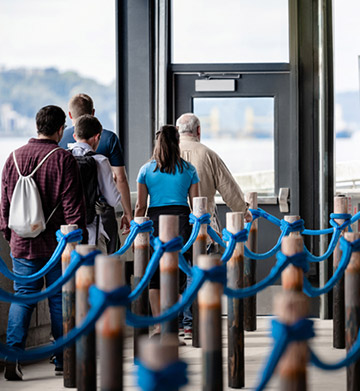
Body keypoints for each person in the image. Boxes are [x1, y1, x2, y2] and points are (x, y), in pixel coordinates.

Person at [1, 105, 86, 380]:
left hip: (21, 244)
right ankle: (63, 358)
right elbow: (74, 210)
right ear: (61, 129)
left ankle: (13, 356)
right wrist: (78, 241)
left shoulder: (12, 157)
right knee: (60, 300)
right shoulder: (63, 159)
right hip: (57, 247)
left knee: (23, 297)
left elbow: (4, 208)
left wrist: (11, 236)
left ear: (37, 125)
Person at [134, 125, 199, 342]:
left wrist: (136, 234)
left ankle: (159, 327)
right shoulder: (189, 169)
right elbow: (197, 206)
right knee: (177, 275)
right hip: (180, 221)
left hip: (153, 223)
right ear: (177, 143)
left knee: (154, 276)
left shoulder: (145, 170)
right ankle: (172, 326)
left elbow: (140, 207)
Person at [59, 93, 134, 252]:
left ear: (70, 114)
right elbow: (120, 178)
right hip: (100, 214)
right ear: (93, 112)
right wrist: (128, 213)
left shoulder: (61, 139)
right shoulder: (109, 138)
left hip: (68, 217)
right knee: (108, 259)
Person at [176, 113, 249, 235]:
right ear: (198, 130)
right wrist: (244, 211)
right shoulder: (208, 155)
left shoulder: (165, 155)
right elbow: (229, 189)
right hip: (204, 230)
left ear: (177, 130)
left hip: (170, 229)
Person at [69, 115, 121, 251]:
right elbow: (114, 200)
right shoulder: (100, 161)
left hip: (67, 235)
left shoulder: (63, 158)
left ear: (75, 136)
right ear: (97, 137)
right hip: (92, 234)